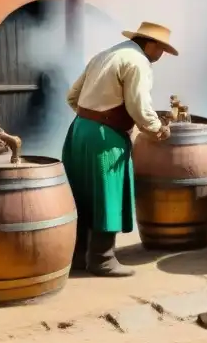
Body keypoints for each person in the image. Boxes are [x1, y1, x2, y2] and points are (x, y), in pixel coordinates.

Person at [62, 22, 178, 278]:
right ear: (150, 44)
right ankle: (103, 259)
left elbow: (72, 96)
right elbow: (139, 106)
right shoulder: (138, 62)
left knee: (79, 194)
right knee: (107, 193)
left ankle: (78, 257)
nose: (161, 56)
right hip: (105, 137)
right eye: (162, 50)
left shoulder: (104, 55)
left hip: (79, 131)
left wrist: (90, 117)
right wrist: (157, 129)